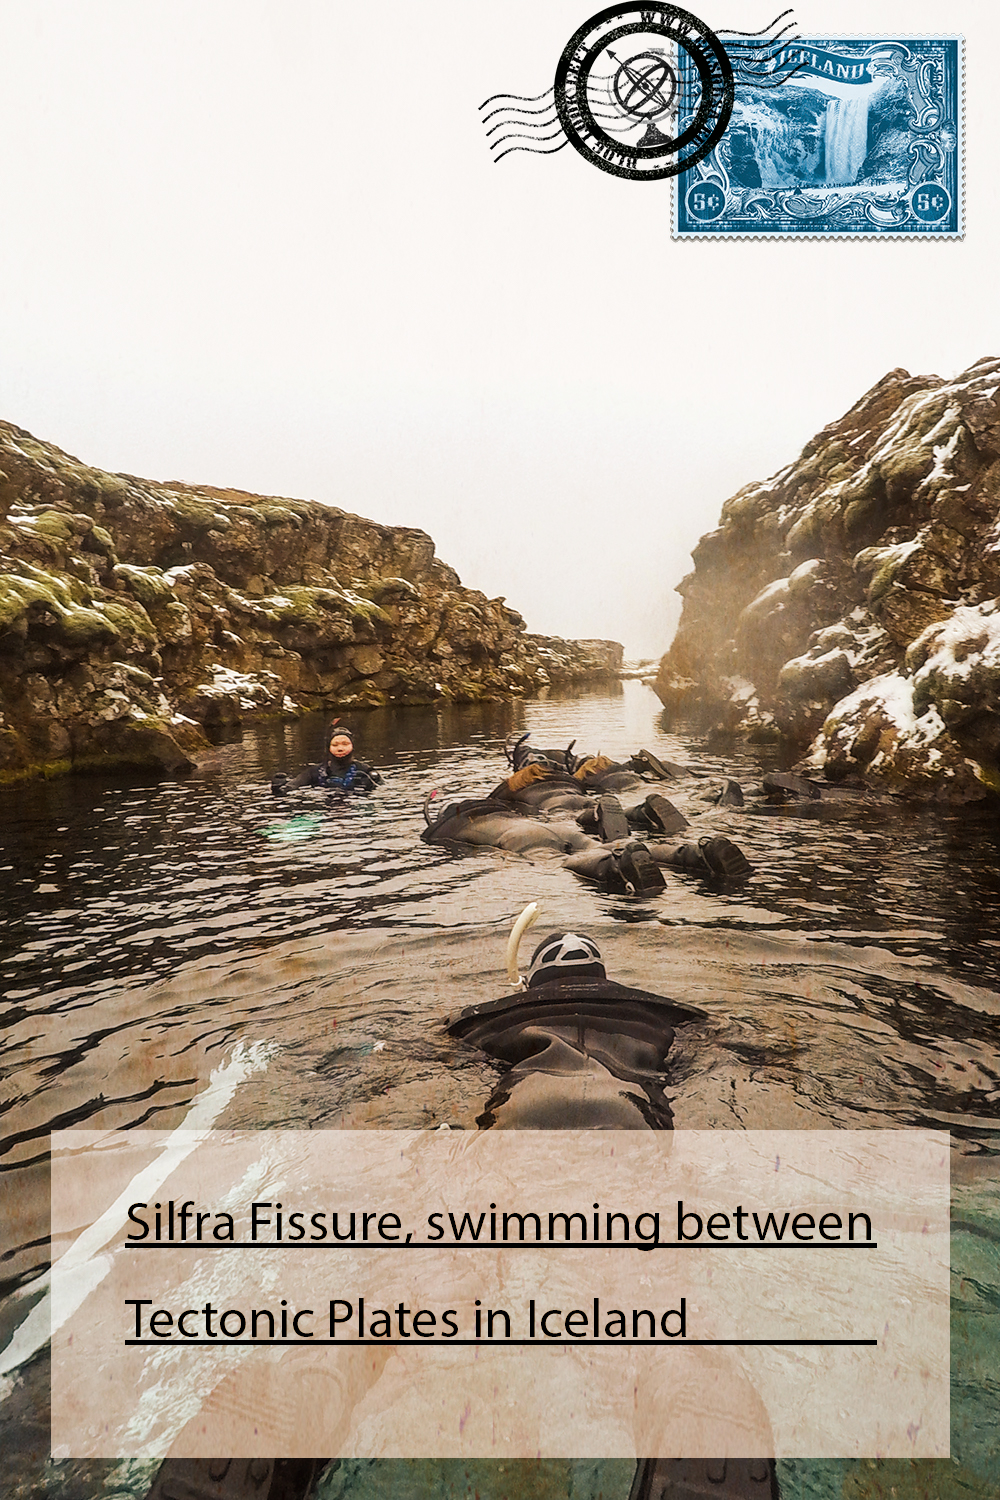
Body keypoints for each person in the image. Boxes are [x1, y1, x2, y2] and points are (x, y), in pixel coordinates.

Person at [270, 722, 381, 795]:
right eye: (335, 745)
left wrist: (371, 786)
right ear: (328, 748)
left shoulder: (364, 770)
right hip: (325, 811)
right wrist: (278, 787)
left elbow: (383, 790)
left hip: (356, 812)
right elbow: (292, 786)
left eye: (345, 744)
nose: (340, 748)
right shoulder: (315, 772)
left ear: (353, 746)